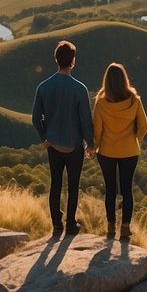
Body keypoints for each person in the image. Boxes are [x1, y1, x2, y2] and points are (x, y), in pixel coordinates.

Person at [32, 40, 93, 238]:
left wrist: (44, 139)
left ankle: (56, 225)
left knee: (55, 184)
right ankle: (70, 225)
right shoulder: (80, 89)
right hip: (74, 146)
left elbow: (35, 118)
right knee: (73, 186)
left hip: (53, 145)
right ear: (73, 61)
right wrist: (89, 144)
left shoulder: (44, 86)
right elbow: (85, 120)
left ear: (56, 60)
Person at [92, 62, 147, 241]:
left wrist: (96, 147)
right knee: (127, 189)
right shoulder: (135, 101)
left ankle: (110, 227)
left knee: (110, 189)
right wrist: (135, 140)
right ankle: (125, 228)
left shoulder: (101, 103)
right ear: (124, 79)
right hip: (130, 152)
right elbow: (144, 127)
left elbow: (97, 131)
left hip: (107, 152)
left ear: (106, 81)